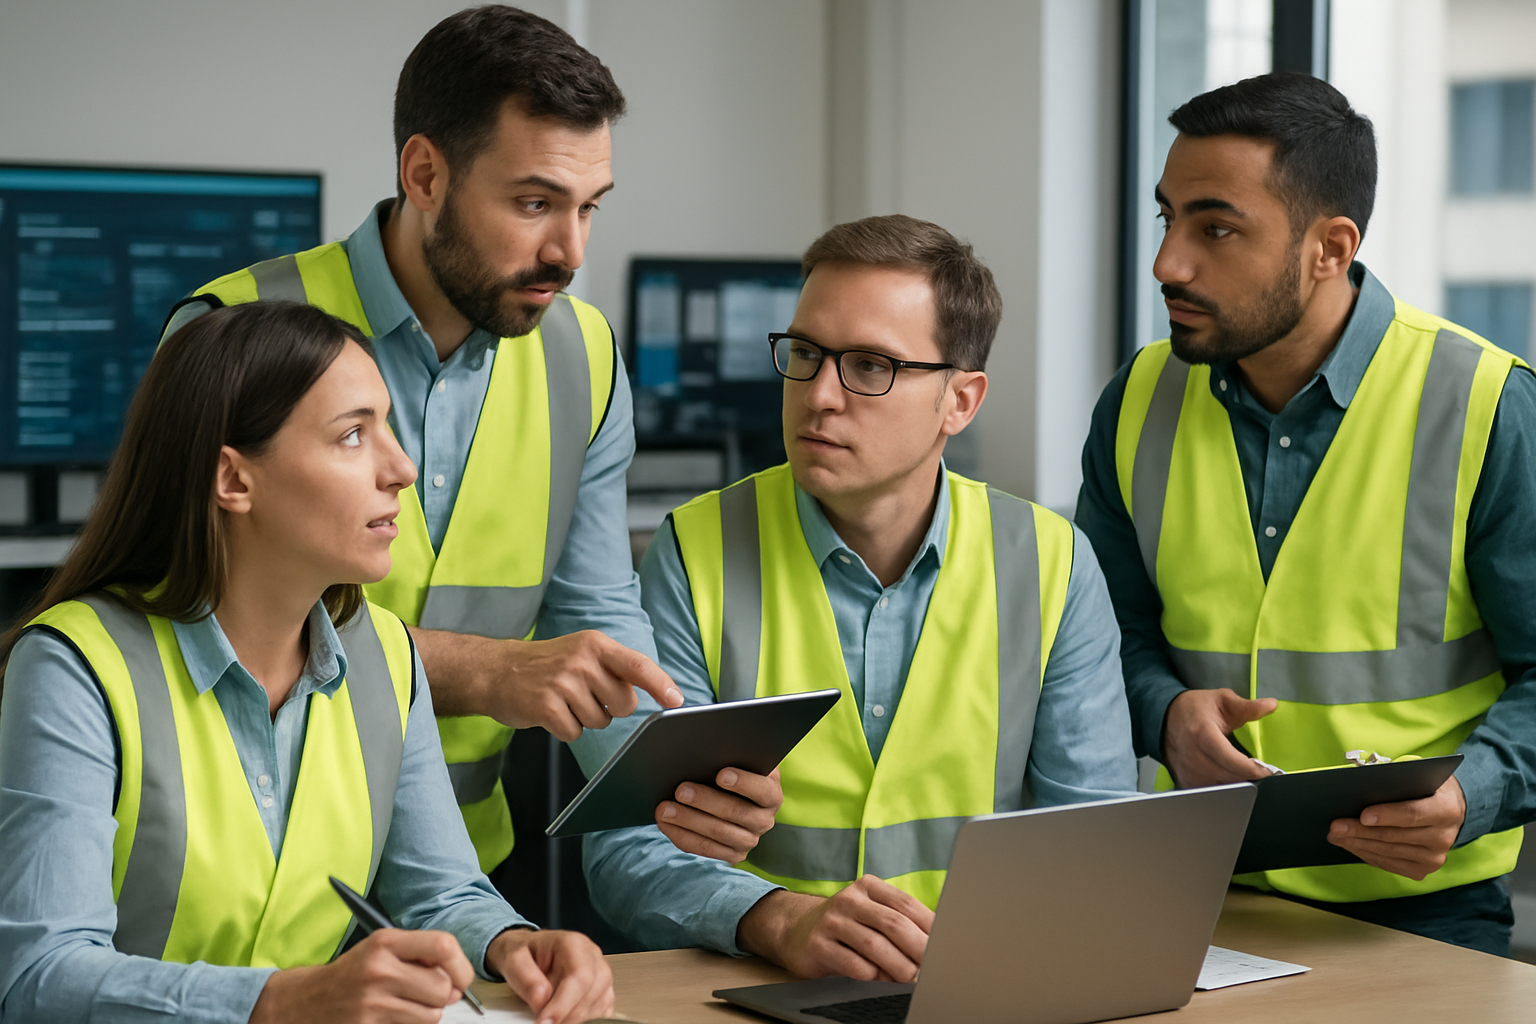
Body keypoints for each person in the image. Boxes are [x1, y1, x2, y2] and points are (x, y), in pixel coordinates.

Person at [161, 4, 779, 875]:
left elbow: (594, 613)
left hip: (458, 879)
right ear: (425, 174)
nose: (569, 251)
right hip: (255, 869)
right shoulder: (232, 330)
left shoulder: (584, 356)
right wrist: (487, 673)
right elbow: (197, 619)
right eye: (534, 203)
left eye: (588, 208)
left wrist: (674, 782)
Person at [0, 302, 613, 1023]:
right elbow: (40, 976)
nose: (402, 469)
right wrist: (284, 1001)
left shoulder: (386, 657)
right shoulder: (73, 668)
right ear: (233, 480)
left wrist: (513, 944)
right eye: (353, 434)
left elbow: (443, 895)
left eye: (388, 427)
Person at [579, 215, 1138, 981]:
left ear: (960, 400)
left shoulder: (1052, 564)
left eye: (870, 366)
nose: (819, 396)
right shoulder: (693, 549)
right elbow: (627, 850)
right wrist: (778, 920)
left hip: (974, 988)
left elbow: (1095, 850)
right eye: (806, 354)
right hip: (758, 989)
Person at [1076, 72, 1536, 956]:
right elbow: (1103, 635)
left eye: (1215, 228)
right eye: (1167, 219)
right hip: (1196, 888)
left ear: (1331, 247)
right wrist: (1164, 712)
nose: (1168, 263)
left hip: (1421, 908)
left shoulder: (1485, 403)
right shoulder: (1137, 398)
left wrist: (1470, 794)